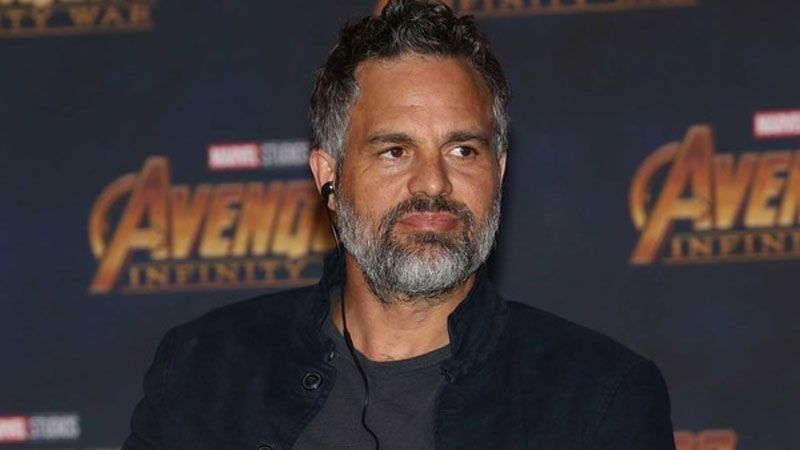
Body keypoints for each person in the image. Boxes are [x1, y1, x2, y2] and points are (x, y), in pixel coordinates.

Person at [122, 1, 675, 449]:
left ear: (499, 172)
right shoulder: (202, 371)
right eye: (394, 151)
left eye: (462, 150)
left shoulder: (599, 398)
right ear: (329, 177)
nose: (432, 183)